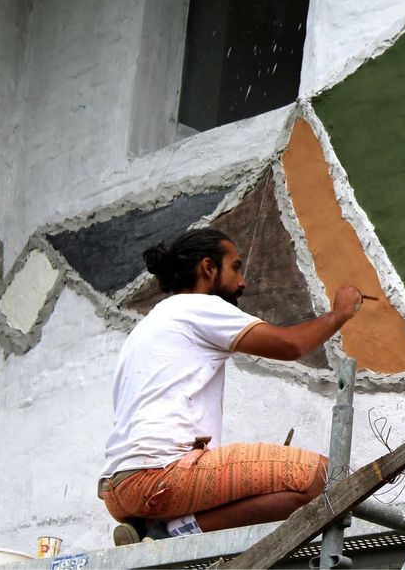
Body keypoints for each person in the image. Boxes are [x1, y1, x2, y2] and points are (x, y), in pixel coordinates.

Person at [97, 228, 364, 545]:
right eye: (236, 267)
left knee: (291, 495)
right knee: (326, 478)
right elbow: (290, 346)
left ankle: (155, 527)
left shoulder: (149, 326)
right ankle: (173, 531)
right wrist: (340, 313)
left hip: (120, 487)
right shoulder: (197, 306)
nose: (243, 282)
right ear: (208, 268)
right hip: (160, 476)